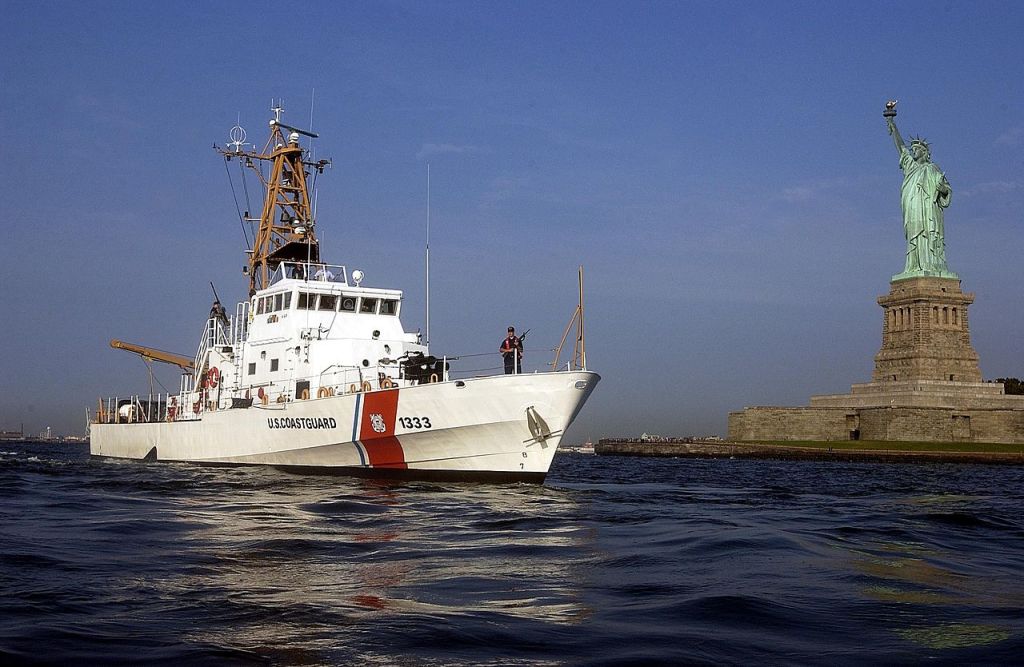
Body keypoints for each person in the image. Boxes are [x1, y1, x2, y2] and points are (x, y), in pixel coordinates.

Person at [886, 114, 952, 276]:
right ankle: (914, 266)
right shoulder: (910, 166)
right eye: (913, 149)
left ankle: (933, 266)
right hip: (913, 207)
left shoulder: (932, 168)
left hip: (929, 209)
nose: (913, 151)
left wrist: (941, 187)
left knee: (929, 234)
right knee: (914, 236)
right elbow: (900, 147)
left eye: (916, 149)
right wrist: (892, 125)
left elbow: (946, 191)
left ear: (925, 152)